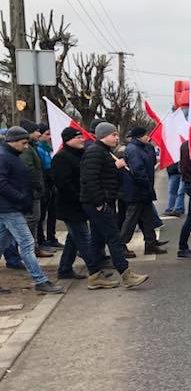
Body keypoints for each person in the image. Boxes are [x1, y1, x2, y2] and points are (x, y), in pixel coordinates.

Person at [79, 123, 149, 288]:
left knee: (97, 240)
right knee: (114, 237)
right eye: (113, 135)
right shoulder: (95, 152)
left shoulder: (103, 152)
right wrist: (99, 203)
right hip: (97, 203)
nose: (117, 138)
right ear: (103, 135)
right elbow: (90, 179)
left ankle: (95, 276)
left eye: (117, 135)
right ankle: (126, 274)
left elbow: (103, 176)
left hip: (102, 202)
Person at [0, 126, 63, 293]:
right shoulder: (4, 157)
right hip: (10, 209)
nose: (26, 146)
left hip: (10, 208)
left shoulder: (10, 155)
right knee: (27, 244)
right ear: (12, 142)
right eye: (23, 143)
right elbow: (2, 183)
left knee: (2, 244)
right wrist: (20, 197)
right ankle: (40, 281)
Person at [51, 128, 99, 282]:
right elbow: (63, 183)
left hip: (81, 203)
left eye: (82, 137)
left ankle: (64, 269)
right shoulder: (61, 158)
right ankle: (95, 271)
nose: (82, 140)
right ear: (68, 140)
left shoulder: (79, 155)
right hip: (70, 205)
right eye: (78, 137)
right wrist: (79, 198)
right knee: (84, 238)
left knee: (73, 239)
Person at [119, 126, 166, 256]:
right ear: (139, 136)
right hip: (137, 190)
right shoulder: (133, 150)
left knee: (148, 219)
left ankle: (150, 244)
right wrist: (146, 185)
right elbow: (138, 170)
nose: (148, 137)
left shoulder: (143, 147)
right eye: (146, 135)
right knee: (131, 220)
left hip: (144, 189)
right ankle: (120, 246)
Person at [17, 119, 50, 256]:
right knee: (32, 219)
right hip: (31, 191)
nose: (38, 133)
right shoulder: (27, 150)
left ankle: (34, 246)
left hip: (34, 190)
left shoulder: (32, 147)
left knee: (35, 219)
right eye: (36, 131)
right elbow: (29, 170)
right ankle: (30, 249)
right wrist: (38, 186)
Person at [36, 123, 61, 250]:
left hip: (51, 185)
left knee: (52, 213)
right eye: (47, 134)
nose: (50, 137)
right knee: (41, 215)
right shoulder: (39, 149)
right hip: (45, 185)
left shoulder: (49, 148)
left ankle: (51, 237)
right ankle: (41, 239)